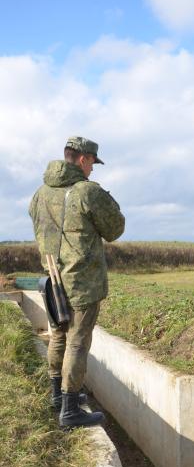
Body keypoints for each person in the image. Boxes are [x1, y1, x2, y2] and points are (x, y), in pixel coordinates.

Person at [29, 136, 125, 430]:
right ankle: (71, 409)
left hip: (52, 279)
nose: (93, 169)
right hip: (82, 283)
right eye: (93, 163)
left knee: (58, 335)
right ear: (83, 159)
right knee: (78, 342)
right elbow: (115, 229)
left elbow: (36, 223)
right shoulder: (87, 192)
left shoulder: (40, 193)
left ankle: (57, 395)